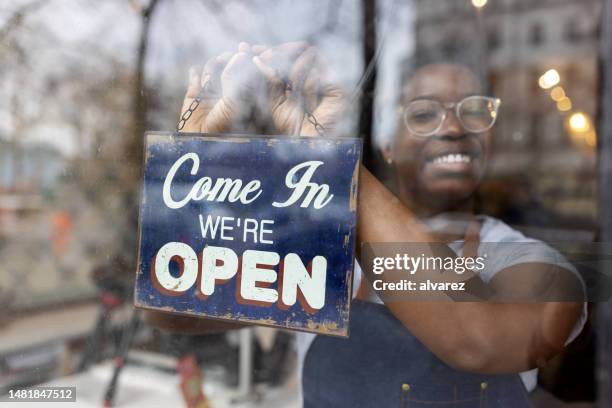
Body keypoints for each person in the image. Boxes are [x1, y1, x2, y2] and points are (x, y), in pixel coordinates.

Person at [145, 42, 587, 407]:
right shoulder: (318, 250)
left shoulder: (529, 262)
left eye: (473, 112)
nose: (453, 127)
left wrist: (329, 161)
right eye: (423, 113)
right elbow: (169, 308)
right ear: (388, 145)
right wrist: (196, 164)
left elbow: (479, 337)